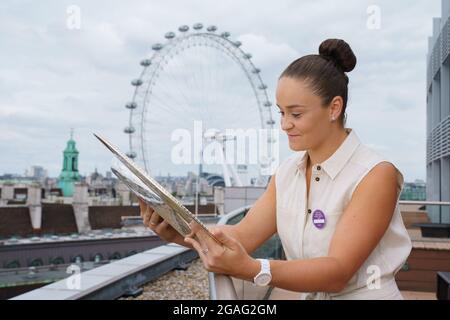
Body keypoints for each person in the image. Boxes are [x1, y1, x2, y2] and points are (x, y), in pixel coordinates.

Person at [138, 38, 412, 300]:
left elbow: (337, 272)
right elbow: (242, 236)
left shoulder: (375, 174)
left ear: (334, 108)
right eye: (281, 113)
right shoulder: (286, 173)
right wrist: (181, 232)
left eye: (296, 114)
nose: (284, 125)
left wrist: (254, 270)